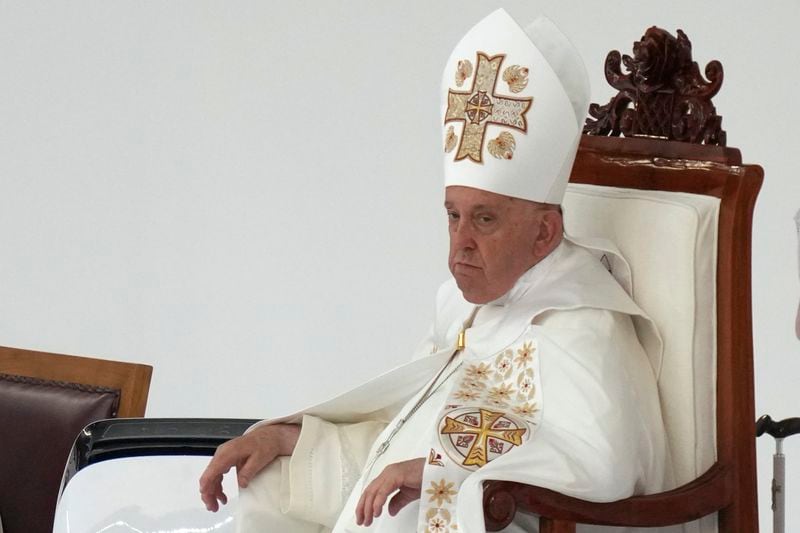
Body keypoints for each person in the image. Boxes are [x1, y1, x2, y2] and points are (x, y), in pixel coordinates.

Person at [199, 9, 673, 533]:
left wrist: (442, 474)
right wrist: (289, 441)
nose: (461, 244)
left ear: (544, 233)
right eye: (453, 216)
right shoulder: (465, 307)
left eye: (485, 219)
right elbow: (401, 438)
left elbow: (606, 468)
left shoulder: (584, 325)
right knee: (268, 486)